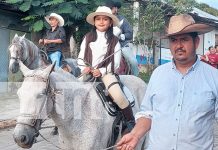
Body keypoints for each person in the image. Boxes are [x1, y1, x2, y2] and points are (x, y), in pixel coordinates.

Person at [117, 14, 218, 150]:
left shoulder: (213, 77)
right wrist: (135, 135)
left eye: (184, 39)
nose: (179, 45)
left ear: (196, 42)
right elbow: (148, 113)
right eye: (174, 40)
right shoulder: (158, 74)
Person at [77, 6, 135, 131]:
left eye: (105, 19)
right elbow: (80, 57)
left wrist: (102, 71)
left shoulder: (114, 40)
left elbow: (116, 63)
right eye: (98, 19)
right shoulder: (87, 37)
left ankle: (130, 121)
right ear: (94, 22)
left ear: (110, 23)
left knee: (118, 95)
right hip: (88, 71)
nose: (101, 21)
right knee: (72, 91)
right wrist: (84, 68)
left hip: (106, 73)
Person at [105, 0, 139, 76]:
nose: (109, 10)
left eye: (111, 8)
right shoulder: (104, 20)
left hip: (121, 45)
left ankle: (136, 77)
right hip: (106, 45)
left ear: (116, 9)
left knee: (133, 61)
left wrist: (121, 36)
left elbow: (130, 33)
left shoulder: (122, 20)